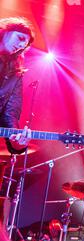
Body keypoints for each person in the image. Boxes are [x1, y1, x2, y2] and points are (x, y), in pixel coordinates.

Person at [0, 17, 34, 155]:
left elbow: (10, 113)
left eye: (24, 45)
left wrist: (17, 139)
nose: (21, 46)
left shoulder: (15, 74)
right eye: (20, 38)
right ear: (5, 31)